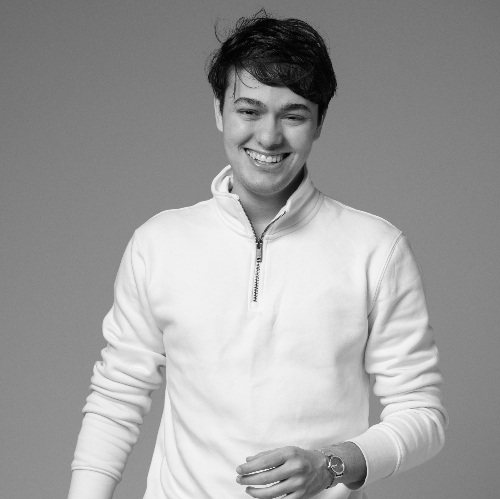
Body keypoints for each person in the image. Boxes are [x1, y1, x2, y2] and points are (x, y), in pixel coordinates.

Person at [68, 10, 447, 499]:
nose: (268, 137)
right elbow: (115, 398)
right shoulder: (158, 243)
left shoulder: (376, 249)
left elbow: (421, 413)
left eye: (293, 115)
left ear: (319, 122)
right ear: (219, 111)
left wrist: (330, 466)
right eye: (249, 110)